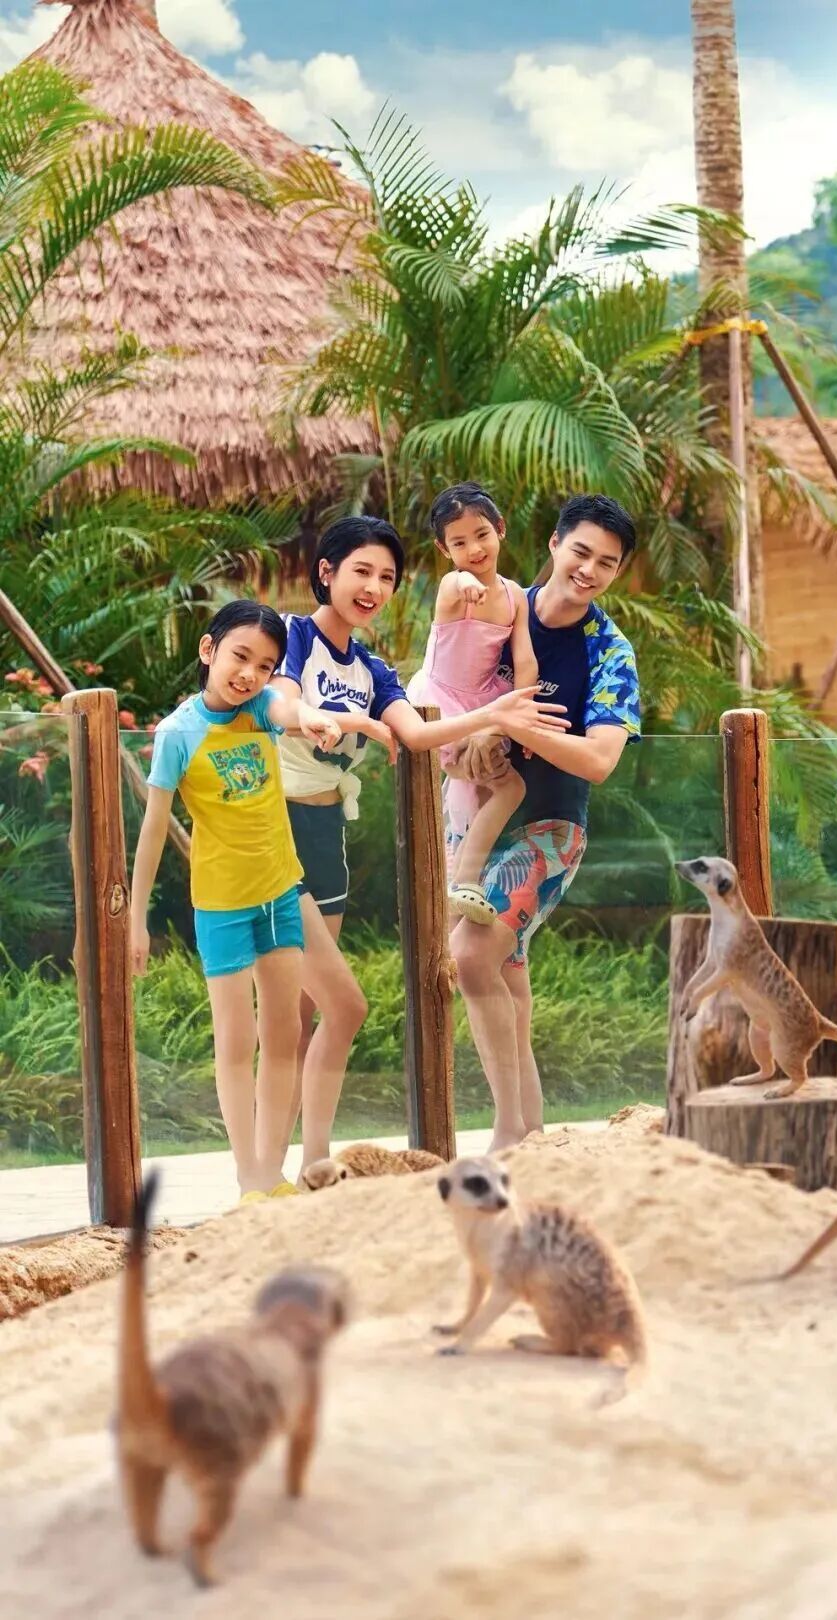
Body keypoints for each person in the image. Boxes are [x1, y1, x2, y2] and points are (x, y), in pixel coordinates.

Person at [271, 515, 571, 1177]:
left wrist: (492, 715)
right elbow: (281, 703)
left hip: (326, 839)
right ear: (326, 573)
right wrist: (336, 719)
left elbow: (418, 734)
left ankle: (308, 1165)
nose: (374, 588)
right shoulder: (292, 636)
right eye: (361, 571)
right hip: (274, 834)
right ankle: (272, 1170)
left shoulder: (375, 669)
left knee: (311, 1011)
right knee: (319, 1010)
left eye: (386, 577)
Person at [129, 600, 343, 1203]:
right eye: (239, 656)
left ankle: (270, 1174)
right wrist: (137, 920)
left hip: (279, 892)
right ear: (209, 650)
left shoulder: (262, 708)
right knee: (236, 1040)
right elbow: (153, 830)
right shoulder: (177, 733)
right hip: (222, 905)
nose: (249, 673)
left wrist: (313, 717)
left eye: (264, 664)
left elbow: (288, 708)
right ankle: (249, 1175)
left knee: (283, 1033)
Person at [448, 493, 641, 1150]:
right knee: (503, 978)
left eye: (607, 563)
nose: (589, 569)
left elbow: (599, 760)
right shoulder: (496, 609)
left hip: (550, 831)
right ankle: (532, 1136)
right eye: (581, 551)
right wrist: (480, 728)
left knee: (470, 955)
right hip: (472, 816)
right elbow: (444, 689)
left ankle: (506, 1133)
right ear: (555, 544)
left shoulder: (610, 651)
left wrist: (511, 722)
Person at [406, 482, 538, 925]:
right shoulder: (452, 585)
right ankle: (462, 882)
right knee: (506, 787)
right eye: (459, 543)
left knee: (489, 791)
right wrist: (466, 584)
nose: (474, 549)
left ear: (500, 529)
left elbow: (525, 661)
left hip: (487, 708)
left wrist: (517, 721)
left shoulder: (515, 595)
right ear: (444, 550)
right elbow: (457, 581)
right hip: (442, 707)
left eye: (482, 534)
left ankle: (460, 887)